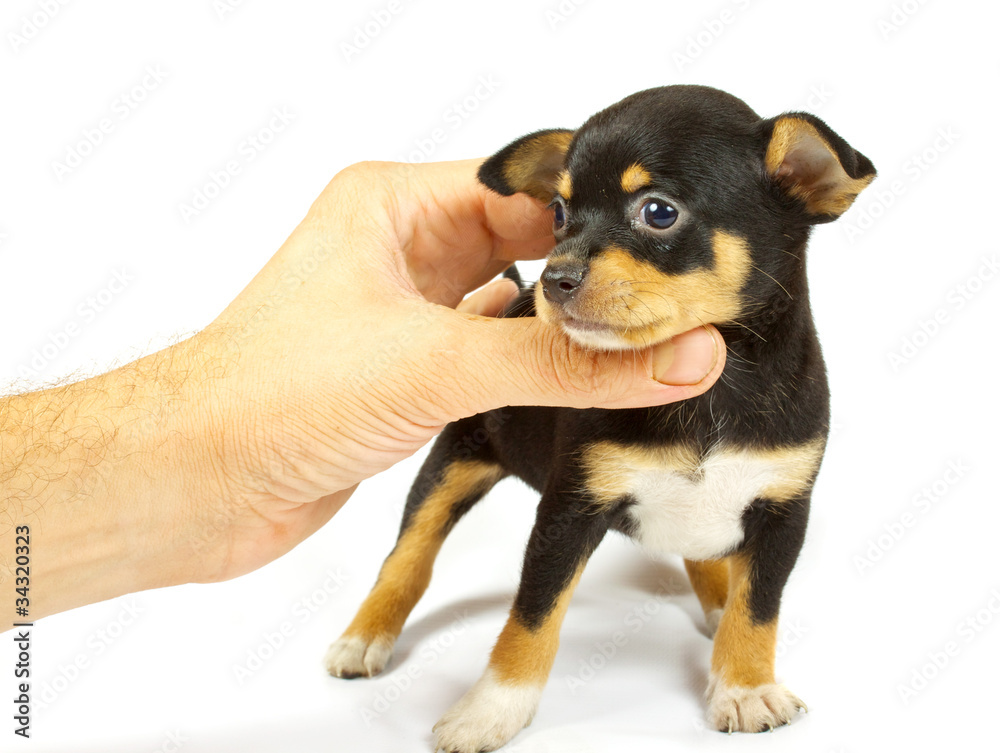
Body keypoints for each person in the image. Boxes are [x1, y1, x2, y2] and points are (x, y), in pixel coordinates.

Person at [0, 159, 724, 624]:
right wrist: (217, 449)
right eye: (561, 218)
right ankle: (388, 598)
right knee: (422, 533)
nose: (564, 261)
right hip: (504, 433)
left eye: (657, 214)